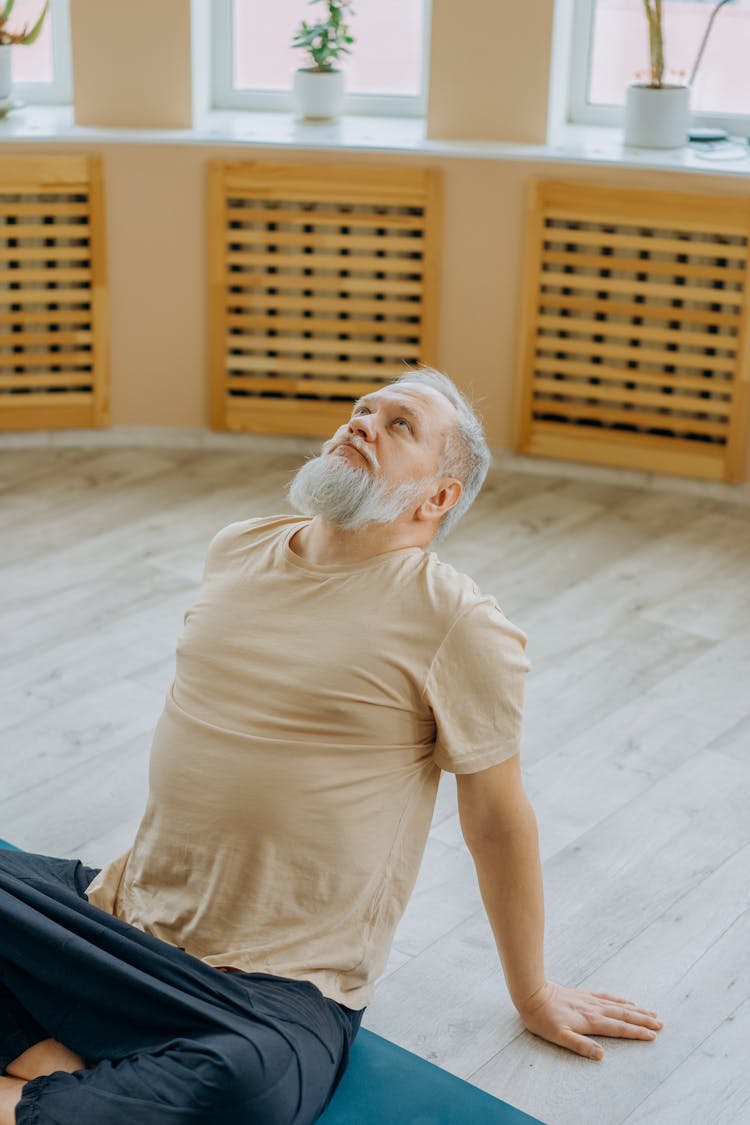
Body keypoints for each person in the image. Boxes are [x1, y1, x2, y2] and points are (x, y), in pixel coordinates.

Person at [0, 368, 662, 1125]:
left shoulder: (458, 623)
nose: (363, 423)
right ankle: (72, 1069)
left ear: (438, 497)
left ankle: (51, 1065)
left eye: (399, 424)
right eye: (361, 410)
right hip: (116, 918)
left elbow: (497, 821)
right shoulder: (240, 548)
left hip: (270, 986)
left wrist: (533, 991)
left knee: (251, 1089)